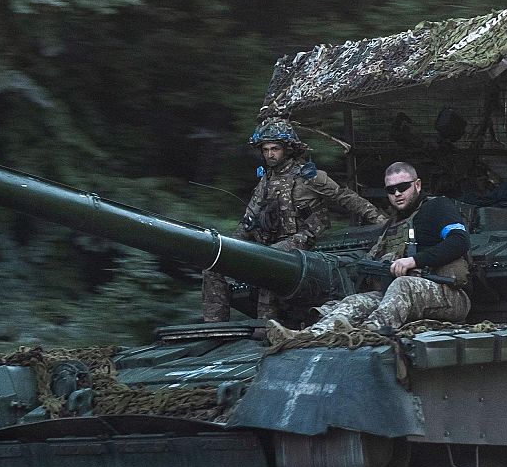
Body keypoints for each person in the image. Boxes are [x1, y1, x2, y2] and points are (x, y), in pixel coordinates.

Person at [201, 117, 385, 322]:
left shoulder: (309, 176)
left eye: (275, 149)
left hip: (304, 241)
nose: (270, 154)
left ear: (287, 148)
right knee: (214, 264)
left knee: (267, 259)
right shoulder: (265, 182)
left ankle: (265, 325)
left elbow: (345, 197)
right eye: (265, 149)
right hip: (270, 243)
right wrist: (230, 248)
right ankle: (214, 327)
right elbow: (248, 220)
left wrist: (381, 222)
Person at [267, 161, 470, 341]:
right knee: (354, 301)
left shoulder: (438, 207)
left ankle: (367, 333)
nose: (397, 194)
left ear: (417, 185)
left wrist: (413, 261)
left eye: (403, 187)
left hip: (449, 295)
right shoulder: (392, 225)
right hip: (398, 294)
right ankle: (307, 336)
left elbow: (459, 241)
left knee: (403, 284)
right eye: (391, 190)